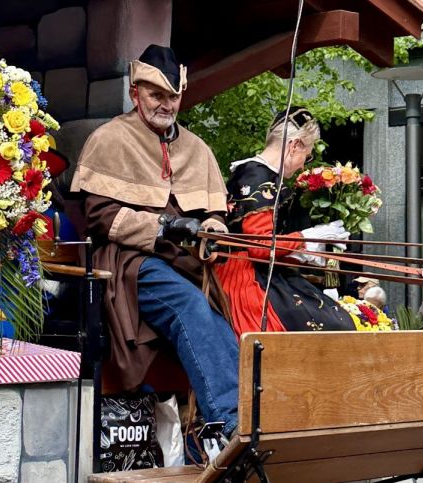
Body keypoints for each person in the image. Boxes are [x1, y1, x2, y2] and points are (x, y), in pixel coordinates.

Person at [70, 45, 238, 436]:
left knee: (227, 321)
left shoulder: (198, 148)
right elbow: (99, 217)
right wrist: (163, 227)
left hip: (188, 265)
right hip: (129, 263)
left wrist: (213, 228)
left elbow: (215, 213)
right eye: (156, 95)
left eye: (173, 96)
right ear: (135, 94)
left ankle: (244, 423)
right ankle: (229, 424)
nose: (166, 104)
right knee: (190, 306)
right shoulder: (110, 138)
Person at [213, 107, 354, 335]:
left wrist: (306, 249)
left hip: (259, 271)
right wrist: (307, 238)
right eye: (306, 156)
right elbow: (259, 247)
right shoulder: (259, 177)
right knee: (332, 326)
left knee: (334, 319)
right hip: (246, 278)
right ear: (294, 145)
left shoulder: (256, 173)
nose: (302, 165)